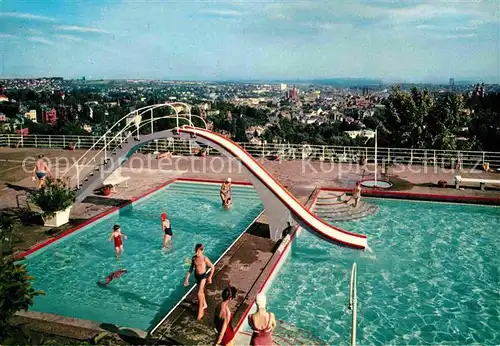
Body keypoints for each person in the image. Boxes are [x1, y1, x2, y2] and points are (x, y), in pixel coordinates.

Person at [184, 243, 214, 320]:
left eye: (198, 252)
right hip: (197, 277)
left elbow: (212, 267)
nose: (196, 253)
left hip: (203, 277)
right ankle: (205, 305)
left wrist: (210, 277)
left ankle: (200, 313)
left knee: (199, 293)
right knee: (201, 293)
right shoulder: (194, 258)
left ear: (202, 251)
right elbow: (190, 269)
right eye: (196, 251)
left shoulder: (205, 259)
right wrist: (187, 279)